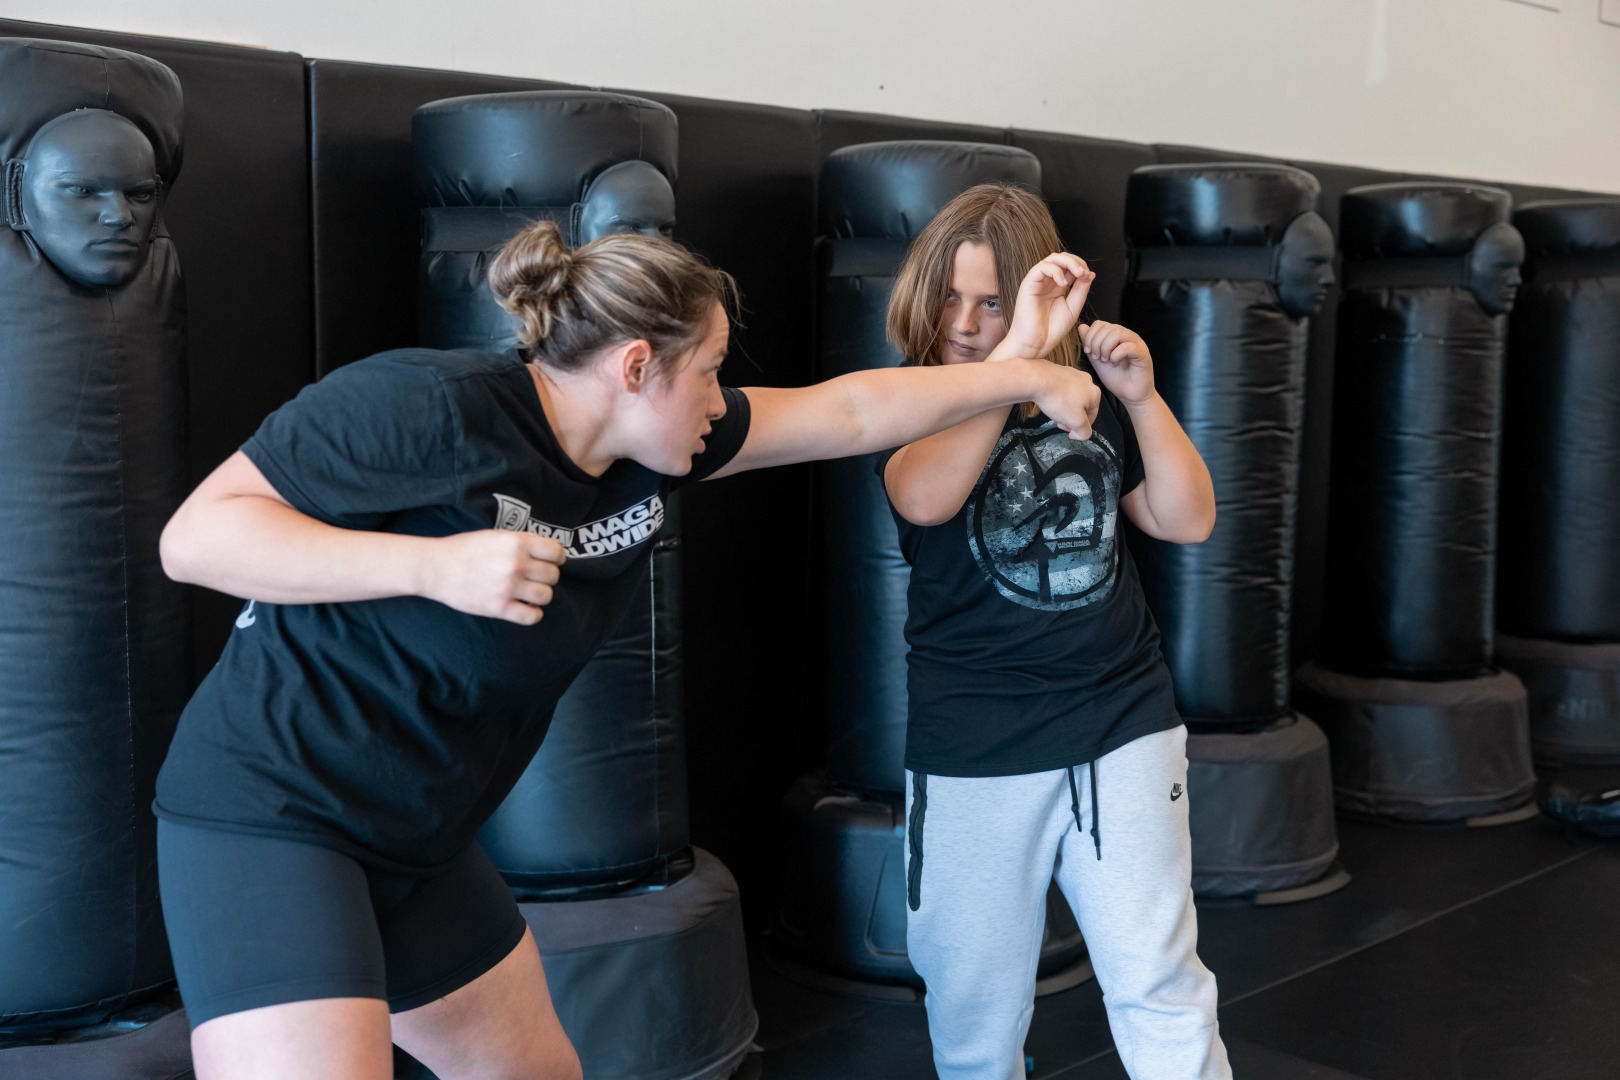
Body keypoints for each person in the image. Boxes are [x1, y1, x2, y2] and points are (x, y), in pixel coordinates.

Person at [153, 218, 1102, 1080]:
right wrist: (432, 567)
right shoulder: (430, 406)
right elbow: (195, 538)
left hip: (419, 833)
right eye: (713, 371)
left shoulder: (646, 454)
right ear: (638, 366)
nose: (722, 400)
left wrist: (1023, 367)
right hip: (274, 814)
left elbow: (850, 411)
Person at [878, 184, 1230, 1080]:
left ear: (1036, 296)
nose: (964, 323)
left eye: (992, 302)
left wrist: (1142, 399)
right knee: (974, 1019)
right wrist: (1018, 362)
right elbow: (922, 496)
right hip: (976, 744)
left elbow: (1187, 519)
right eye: (949, 297)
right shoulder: (916, 396)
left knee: (1161, 985)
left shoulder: (1089, 400)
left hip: (1121, 721)